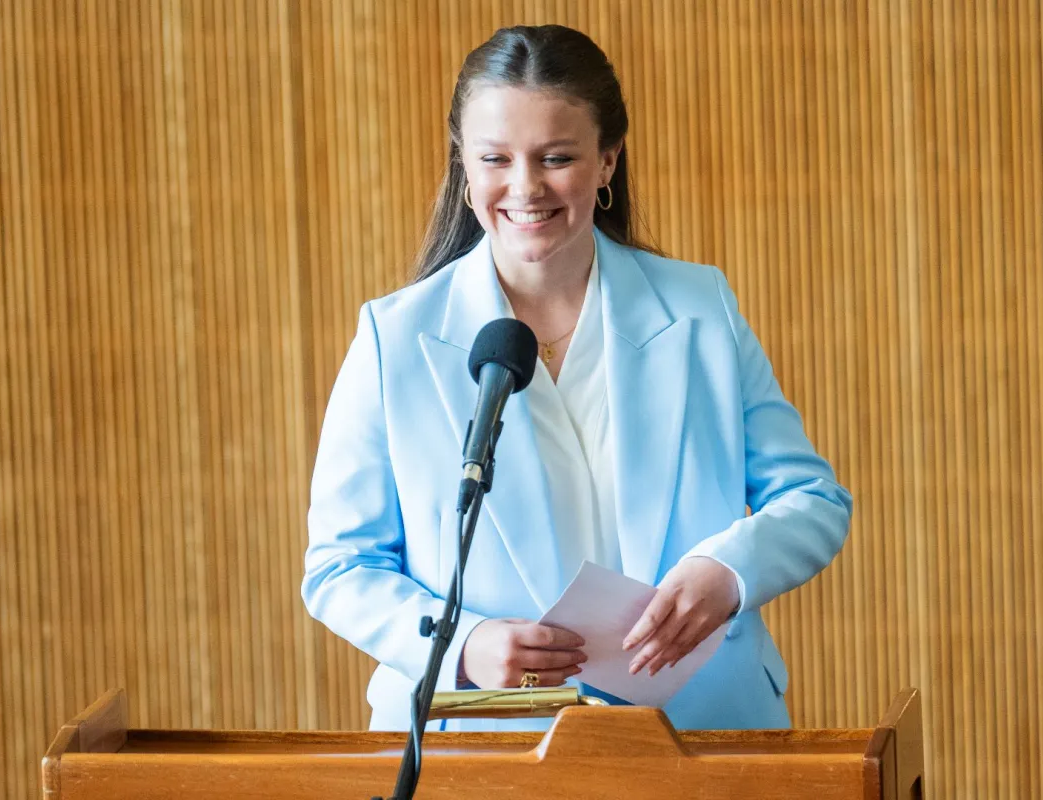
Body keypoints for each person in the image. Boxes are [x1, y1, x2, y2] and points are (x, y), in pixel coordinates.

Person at [301, 24, 852, 733]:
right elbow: (339, 567)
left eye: (556, 157)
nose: (525, 187)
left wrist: (729, 573)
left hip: (705, 727)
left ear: (607, 161)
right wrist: (461, 642)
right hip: (483, 738)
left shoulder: (699, 308)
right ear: (464, 169)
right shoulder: (394, 339)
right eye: (495, 158)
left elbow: (812, 498)